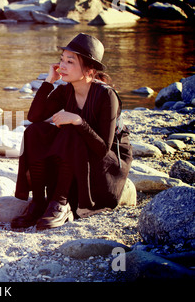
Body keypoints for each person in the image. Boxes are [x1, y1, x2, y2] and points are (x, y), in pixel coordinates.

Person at [11, 33, 132, 230]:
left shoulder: (106, 96)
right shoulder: (66, 90)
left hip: (105, 165)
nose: (63, 66)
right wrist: (49, 82)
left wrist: (79, 121)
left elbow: (103, 149)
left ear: (89, 70)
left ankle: (60, 203)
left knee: (72, 130)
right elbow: (34, 116)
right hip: (76, 157)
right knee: (34, 131)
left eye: (70, 61)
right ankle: (40, 201)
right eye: (62, 60)